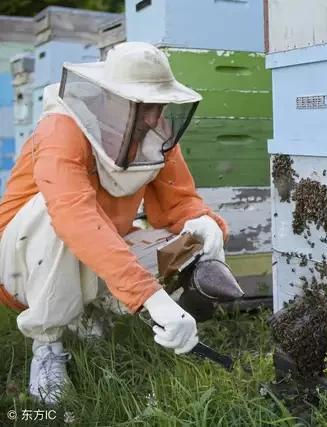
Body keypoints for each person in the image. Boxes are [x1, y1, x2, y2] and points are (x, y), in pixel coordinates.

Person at [0, 42, 228, 405]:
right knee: (56, 211)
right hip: (19, 264)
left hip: (97, 242)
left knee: (185, 240)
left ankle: (87, 312)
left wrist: (203, 222)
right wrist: (150, 297)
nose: (154, 118)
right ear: (109, 98)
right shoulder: (61, 129)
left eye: (160, 105)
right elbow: (74, 216)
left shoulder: (156, 134)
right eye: (144, 106)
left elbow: (177, 203)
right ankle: (47, 345)